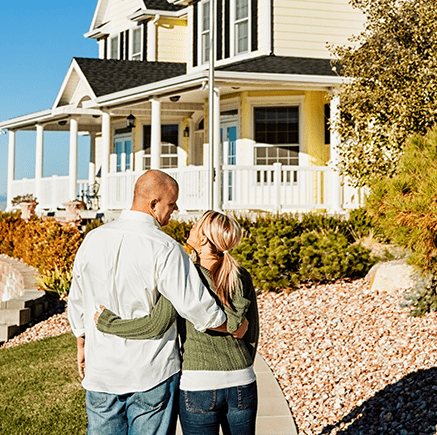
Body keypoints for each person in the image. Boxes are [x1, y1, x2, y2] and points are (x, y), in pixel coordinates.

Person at [68, 170, 229, 435]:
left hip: (101, 371)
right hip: (151, 373)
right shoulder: (165, 248)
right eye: (172, 203)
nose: (175, 209)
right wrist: (229, 326)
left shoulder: (92, 239)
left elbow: (78, 298)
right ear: (154, 204)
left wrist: (81, 342)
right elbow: (196, 306)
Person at [94, 210, 259, 435]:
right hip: (242, 379)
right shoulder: (241, 275)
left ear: (202, 239)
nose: (190, 227)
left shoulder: (184, 276)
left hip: (199, 384)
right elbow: (252, 334)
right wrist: (242, 365)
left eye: (195, 226)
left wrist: (109, 323)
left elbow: (155, 324)